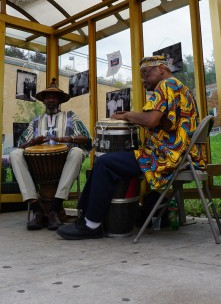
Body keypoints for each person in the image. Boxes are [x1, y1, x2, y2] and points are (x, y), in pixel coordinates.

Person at [57, 55, 204, 240]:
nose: (143, 79)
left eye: (146, 73)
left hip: (166, 156)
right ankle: (86, 216)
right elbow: (166, 124)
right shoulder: (182, 88)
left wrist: (126, 115)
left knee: (104, 163)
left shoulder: (166, 85)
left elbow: (151, 120)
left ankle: (91, 224)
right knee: (112, 162)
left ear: (161, 69)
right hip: (184, 156)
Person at [9, 78, 91, 230]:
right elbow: (21, 144)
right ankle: (37, 209)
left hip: (65, 163)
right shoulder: (36, 121)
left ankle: (55, 208)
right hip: (39, 167)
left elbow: (86, 138)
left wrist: (64, 138)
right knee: (15, 154)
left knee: (78, 152)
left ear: (60, 100)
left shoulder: (70, 116)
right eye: (48, 97)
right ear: (43, 100)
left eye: (54, 97)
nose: (51, 100)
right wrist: (33, 142)